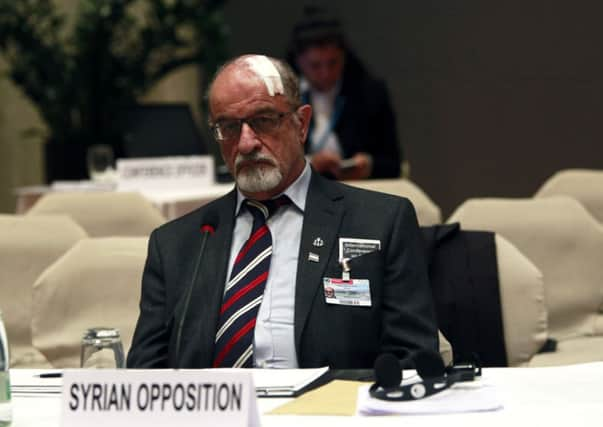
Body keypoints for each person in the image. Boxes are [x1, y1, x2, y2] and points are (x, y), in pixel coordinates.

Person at [127, 54, 437, 370]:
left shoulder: (380, 223)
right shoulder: (177, 244)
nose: (246, 143)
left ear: (301, 124)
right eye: (229, 127)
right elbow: (144, 372)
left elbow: (412, 359)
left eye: (263, 120)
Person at [288, 6, 402, 180]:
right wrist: (308, 164)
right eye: (315, 65)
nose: (325, 73)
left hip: (356, 187)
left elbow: (393, 163)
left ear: (344, 56)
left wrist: (369, 165)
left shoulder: (370, 93)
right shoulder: (283, 97)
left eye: (333, 63)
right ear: (299, 61)